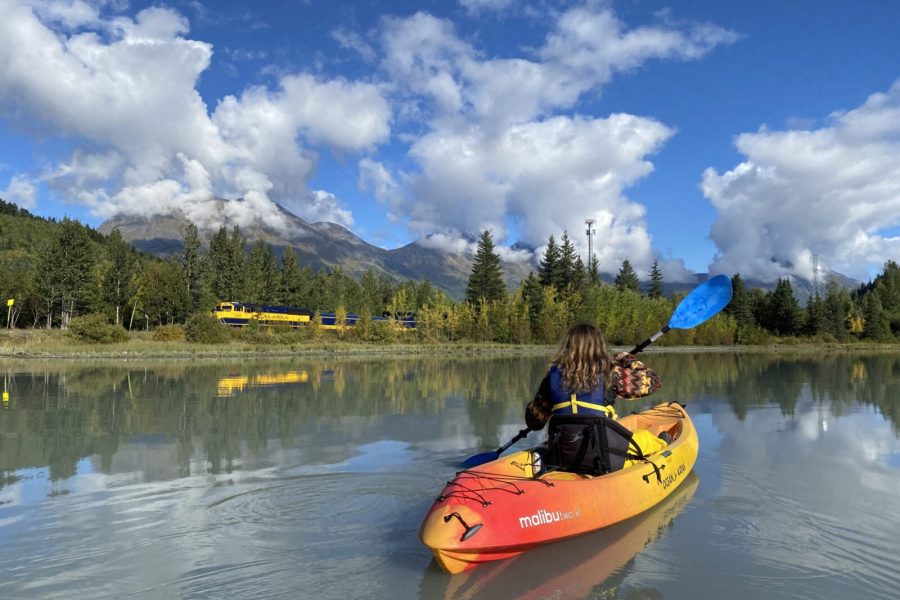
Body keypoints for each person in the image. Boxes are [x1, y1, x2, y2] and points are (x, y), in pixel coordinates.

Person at [525, 323, 665, 474]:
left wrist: (539, 403)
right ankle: (665, 443)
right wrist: (627, 358)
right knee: (647, 439)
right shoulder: (612, 375)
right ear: (600, 347)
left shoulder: (551, 376)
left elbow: (534, 423)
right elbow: (654, 382)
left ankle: (544, 457)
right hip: (603, 455)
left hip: (563, 454)